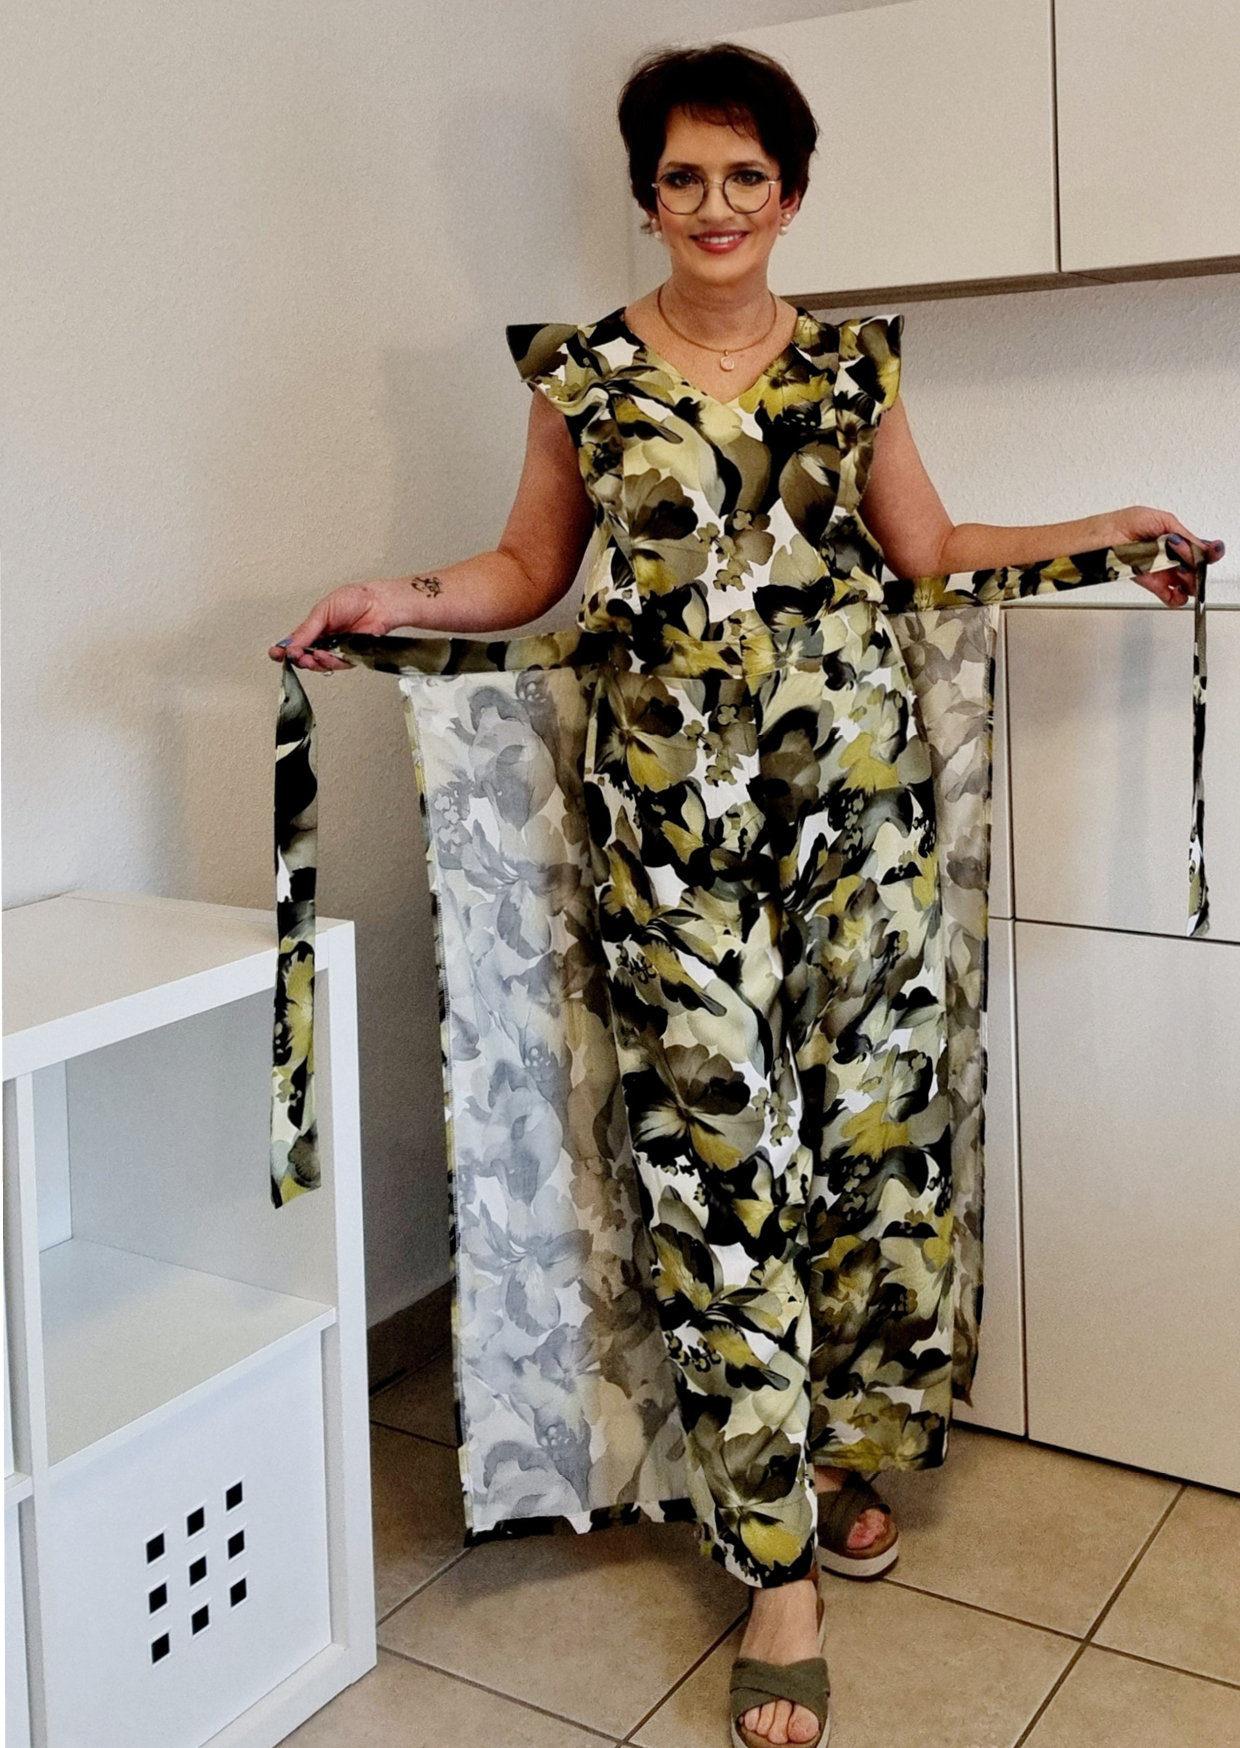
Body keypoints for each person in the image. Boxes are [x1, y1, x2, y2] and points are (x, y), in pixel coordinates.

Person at [271, 42, 1222, 1748]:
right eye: (684, 176)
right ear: (648, 195)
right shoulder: (583, 375)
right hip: (671, 845)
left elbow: (930, 552)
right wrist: (388, 594)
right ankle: (773, 1566)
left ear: (791, 193)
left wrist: (1110, 530)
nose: (715, 205)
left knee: (867, 1155)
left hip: (860, 827)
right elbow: (530, 570)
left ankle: (838, 1450)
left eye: (746, 175)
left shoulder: (855, 369)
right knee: (718, 1179)